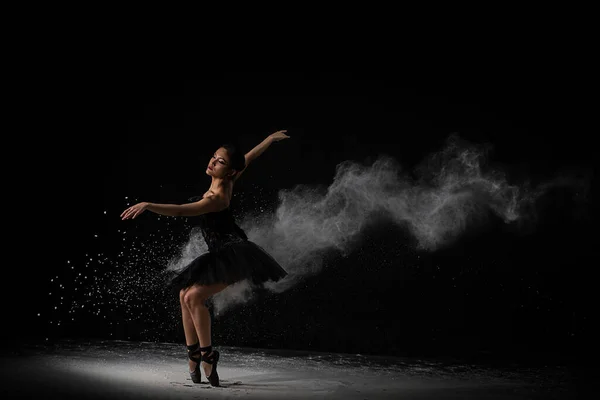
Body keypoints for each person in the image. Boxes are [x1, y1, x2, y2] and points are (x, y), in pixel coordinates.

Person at [120, 130, 290, 386]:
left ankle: (207, 356)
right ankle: (193, 355)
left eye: (220, 161)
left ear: (230, 171)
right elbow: (249, 157)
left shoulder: (217, 198)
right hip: (220, 253)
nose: (212, 162)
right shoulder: (229, 180)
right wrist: (269, 139)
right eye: (214, 157)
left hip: (234, 254)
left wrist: (148, 205)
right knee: (183, 295)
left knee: (193, 296)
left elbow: (179, 211)